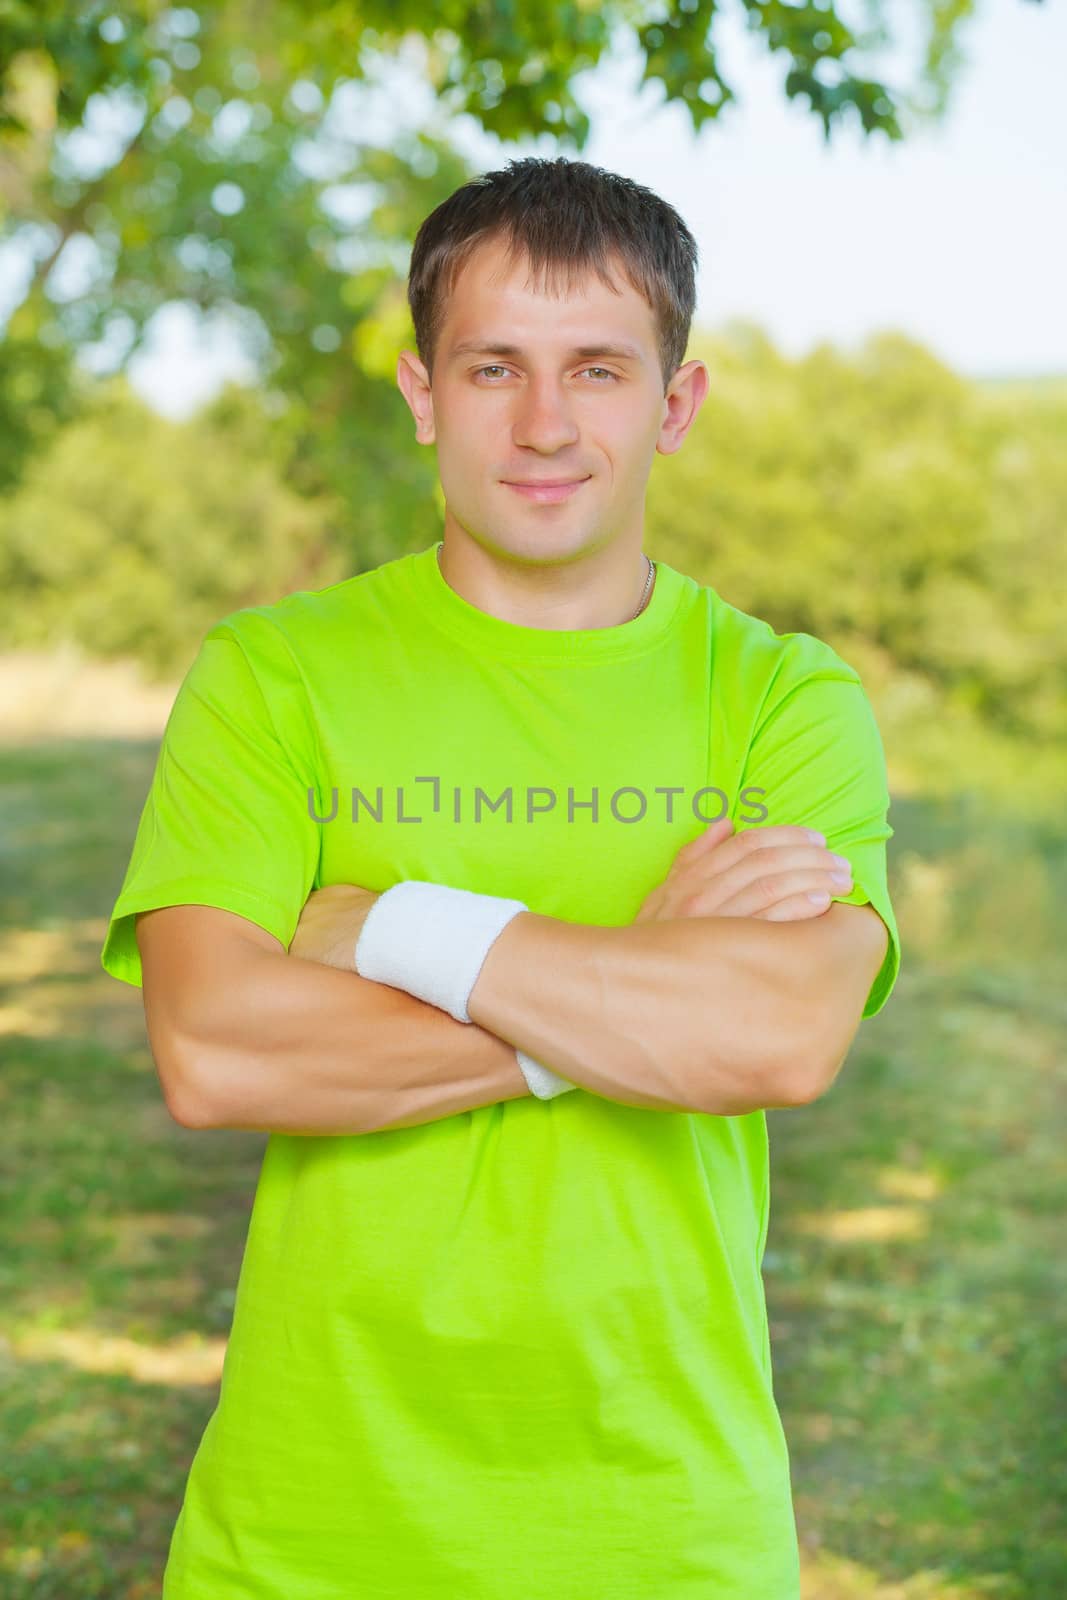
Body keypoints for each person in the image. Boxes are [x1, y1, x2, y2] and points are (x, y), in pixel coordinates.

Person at [100, 155, 900, 1599]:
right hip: (309, 1537)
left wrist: (397, 927)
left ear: (677, 405)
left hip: (667, 1536)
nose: (544, 425)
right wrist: (630, 984)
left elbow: (778, 1034)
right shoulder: (272, 678)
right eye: (492, 368)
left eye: (597, 369)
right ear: (421, 395)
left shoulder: (784, 699)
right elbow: (214, 1048)